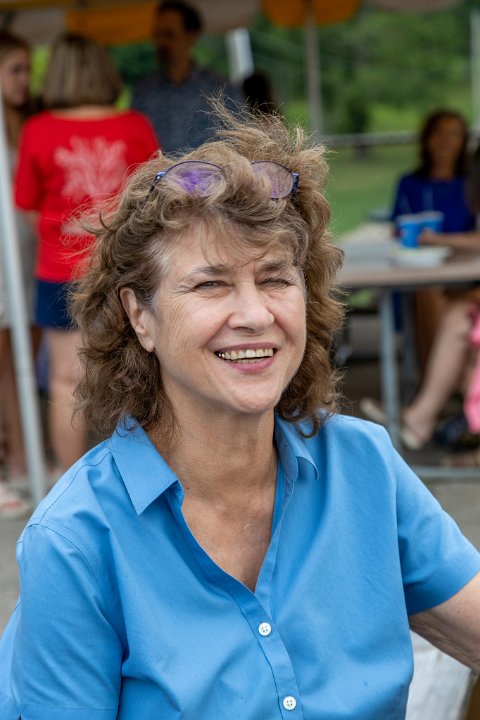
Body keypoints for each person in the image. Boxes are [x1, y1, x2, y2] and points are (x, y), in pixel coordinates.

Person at [2, 102, 480, 719]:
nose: (255, 315)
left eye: (276, 279)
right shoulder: (74, 542)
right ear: (139, 316)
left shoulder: (363, 466)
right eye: (211, 284)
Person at [14, 32, 159, 475]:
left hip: (60, 271)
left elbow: (26, 206)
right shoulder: (135, 125)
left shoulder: (38, 130)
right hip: (124, 267)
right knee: (138, 372)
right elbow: (156, 198)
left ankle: (71, 488)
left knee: (65, 380)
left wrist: (67, 233)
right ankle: (141, 478)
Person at [361, 132, 480, 451]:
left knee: (458, 317)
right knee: (452, 311)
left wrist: (438, 240)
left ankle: (421, 416)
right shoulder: (413, 182)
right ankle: (423, 415)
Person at [391, 108, 476, 368]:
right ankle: (431, 375)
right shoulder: (410, 183)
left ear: (463, 141)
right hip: (423, 270)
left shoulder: (471, 183)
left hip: (465, 271)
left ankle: (436, 381)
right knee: (426, 290)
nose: (446, 141)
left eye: (454, 134)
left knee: (437, 298)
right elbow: (398, 225)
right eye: (439, 133)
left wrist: (439, 240)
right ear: (427, 139)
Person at [0, 31, 38, 519]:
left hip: (25, 255)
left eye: (27, 69)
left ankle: (21, 455)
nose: (26, 80)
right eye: (15, 70)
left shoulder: (27, 126)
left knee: (20, 358)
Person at [131, 0, 241, 154]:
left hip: (209, 169)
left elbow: (239, 142)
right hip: (157, 170)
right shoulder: (144, 90)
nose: (161, 42)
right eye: (157, 34)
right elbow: (133, 142)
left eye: (169, 34)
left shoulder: (220, 88)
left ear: (191, 36)